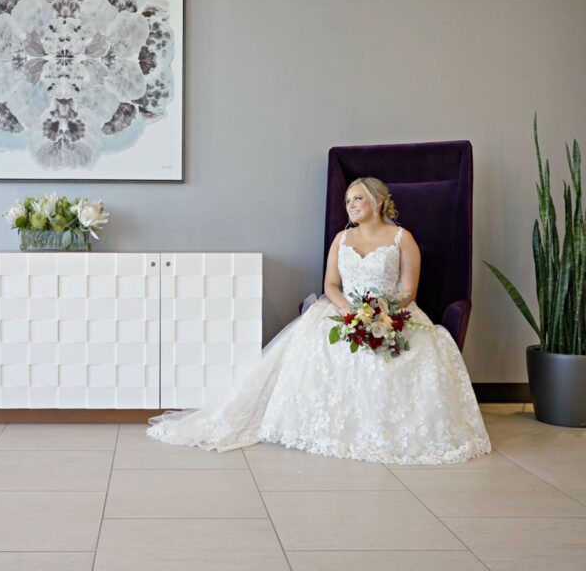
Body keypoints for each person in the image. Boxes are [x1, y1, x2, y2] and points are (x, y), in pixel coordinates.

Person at [147, 177, 491, 464]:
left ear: (377, 200)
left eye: (358, 198)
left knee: (402, 356)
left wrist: (382, 313)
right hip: (342, 310)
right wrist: (348, 312)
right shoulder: (342, 239)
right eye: (347, 201)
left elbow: (408, 289)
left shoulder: (403, 238)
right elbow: (330, 284)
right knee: (323, 350)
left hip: (392, 313)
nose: (351, 205)